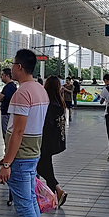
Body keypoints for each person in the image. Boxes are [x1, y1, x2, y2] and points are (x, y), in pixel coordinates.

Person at [0, 49, 49, 217]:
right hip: (33, 152)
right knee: (31, 203)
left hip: (20, 157)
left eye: (13, 65)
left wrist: (7, 163)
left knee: (26, 206)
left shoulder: (22, 93)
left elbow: (17, 131)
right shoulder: (39, 89)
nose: (11, 69)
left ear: (19, 67)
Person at [39, 76, 68, 207]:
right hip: (54, 141)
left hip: (45, 141)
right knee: (46, 166)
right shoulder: (60, 103)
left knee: (41, 167)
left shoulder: (49, 105)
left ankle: (55, 192)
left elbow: (46, 124)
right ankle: (56, 192)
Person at [0, 68, 18, 165]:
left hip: (6, 113)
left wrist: (0, 98)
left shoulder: (8, 87)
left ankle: (7, 158)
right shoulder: (13, 86)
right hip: (10, 113)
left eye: (2, 75)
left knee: (6, 135)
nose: (1, 77)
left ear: (7, 76)